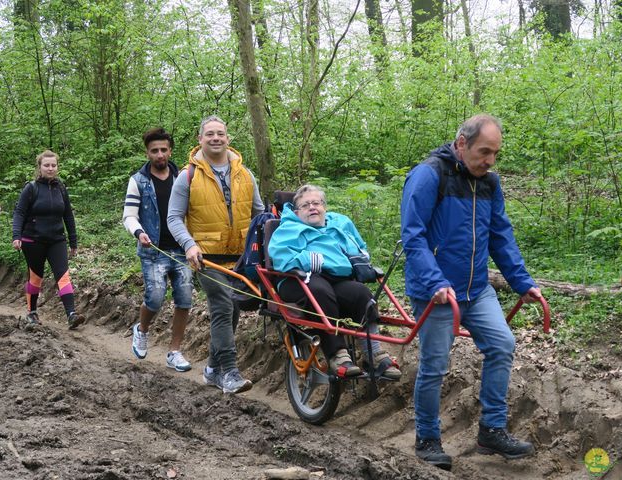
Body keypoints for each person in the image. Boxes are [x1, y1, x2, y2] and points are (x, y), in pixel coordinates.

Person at [401, 114, 542, 470]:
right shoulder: (429, 174)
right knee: (435, 365)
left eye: (495, 153)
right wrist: (435, 283)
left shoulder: (490, 184)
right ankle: (428, 438)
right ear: (462, 144)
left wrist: (522, 283)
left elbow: (500, 236)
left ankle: (491, 430)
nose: (490, 160)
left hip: (476, 289)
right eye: (484, 151)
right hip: (437, 291)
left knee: (502, 344)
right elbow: (413, 237)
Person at [167, 115, 264, 394]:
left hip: (241, 259)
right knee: (222, 307)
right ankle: (230, 373)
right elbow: (174, 218)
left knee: (232, 311)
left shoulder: (245, 174)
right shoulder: (188, 176)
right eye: (209, 134)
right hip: (206, 257)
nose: (215, 138)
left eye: (220, 133)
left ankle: (211, 368)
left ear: (228, 138)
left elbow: (259, 214)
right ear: (200, 139)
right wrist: (189, 245)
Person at [268, 184, 401, 380]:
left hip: (336, 278)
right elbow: (280, 257)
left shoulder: (339, 224)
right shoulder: (288, 228)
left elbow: (360, 249)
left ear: (324, 207)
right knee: (320, 292)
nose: (312, 207)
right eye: (306, 205)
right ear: (297, 212)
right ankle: (337, 354)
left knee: (361, 294)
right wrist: (309, 259)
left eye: (316, 203)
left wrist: (360, 262)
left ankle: (373, 354)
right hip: (298, 278)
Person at [123, 128, 194, 372]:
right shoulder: (138, 181)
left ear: (170, 151)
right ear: (148, 153)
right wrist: (139, 232)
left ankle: (174, 351)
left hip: (183, 249)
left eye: (164, 149)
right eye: (155, 151)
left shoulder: (184, 177)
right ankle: (141, 330)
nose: (160, 154)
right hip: (153, 250)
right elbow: (129, 216)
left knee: (184, 299)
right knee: (154, 297)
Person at [12, 150, 83, 329]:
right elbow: (19, 213)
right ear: (40, 167)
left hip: (57, 239)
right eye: (46, 165)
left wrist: (73, 241)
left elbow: (68, 215)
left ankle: (71, 314)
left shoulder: (61, 188)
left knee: (63, 275)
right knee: (36, 278)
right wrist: (16, 236)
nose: (50, 168)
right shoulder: (31, 188)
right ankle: (32, 312)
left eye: (53, 165)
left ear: (57, 167)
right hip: (32, 240)